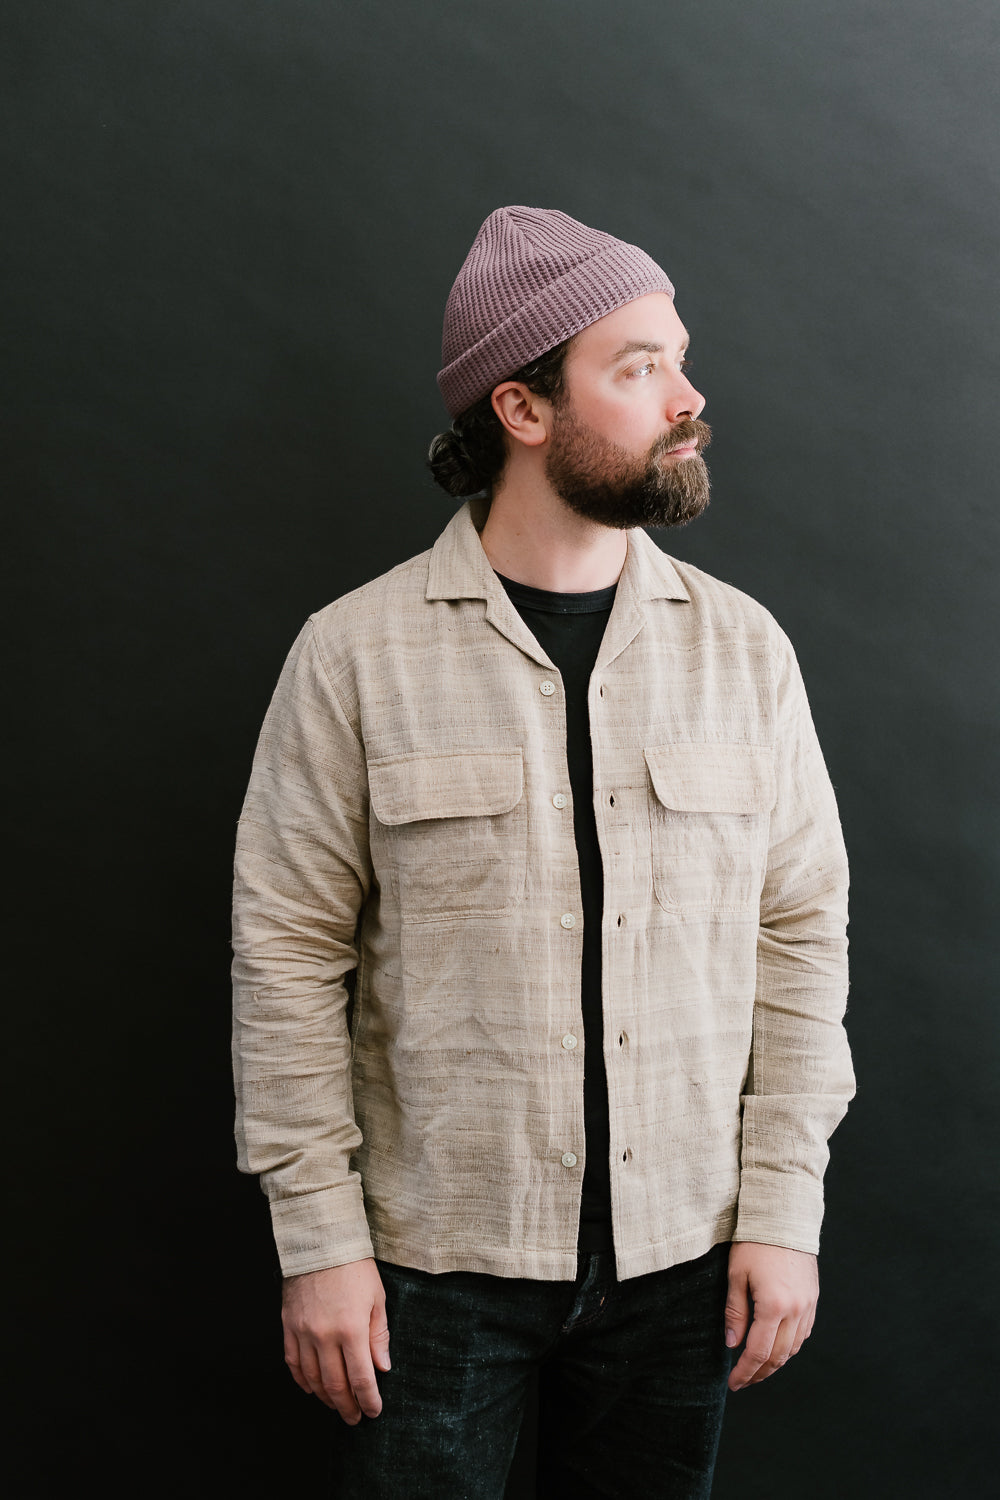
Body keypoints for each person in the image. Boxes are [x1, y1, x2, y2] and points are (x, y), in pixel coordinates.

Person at [231, 205, 854, 1498]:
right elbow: (284, 957)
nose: (687, 398)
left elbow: (800, 932)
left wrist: (784, 1209)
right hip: (428, 1271)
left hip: (686, 1265)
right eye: (638, 367)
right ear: (520, 408)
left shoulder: (745, 652)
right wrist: (318, 1242)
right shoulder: (353, 656)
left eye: (679, 359)